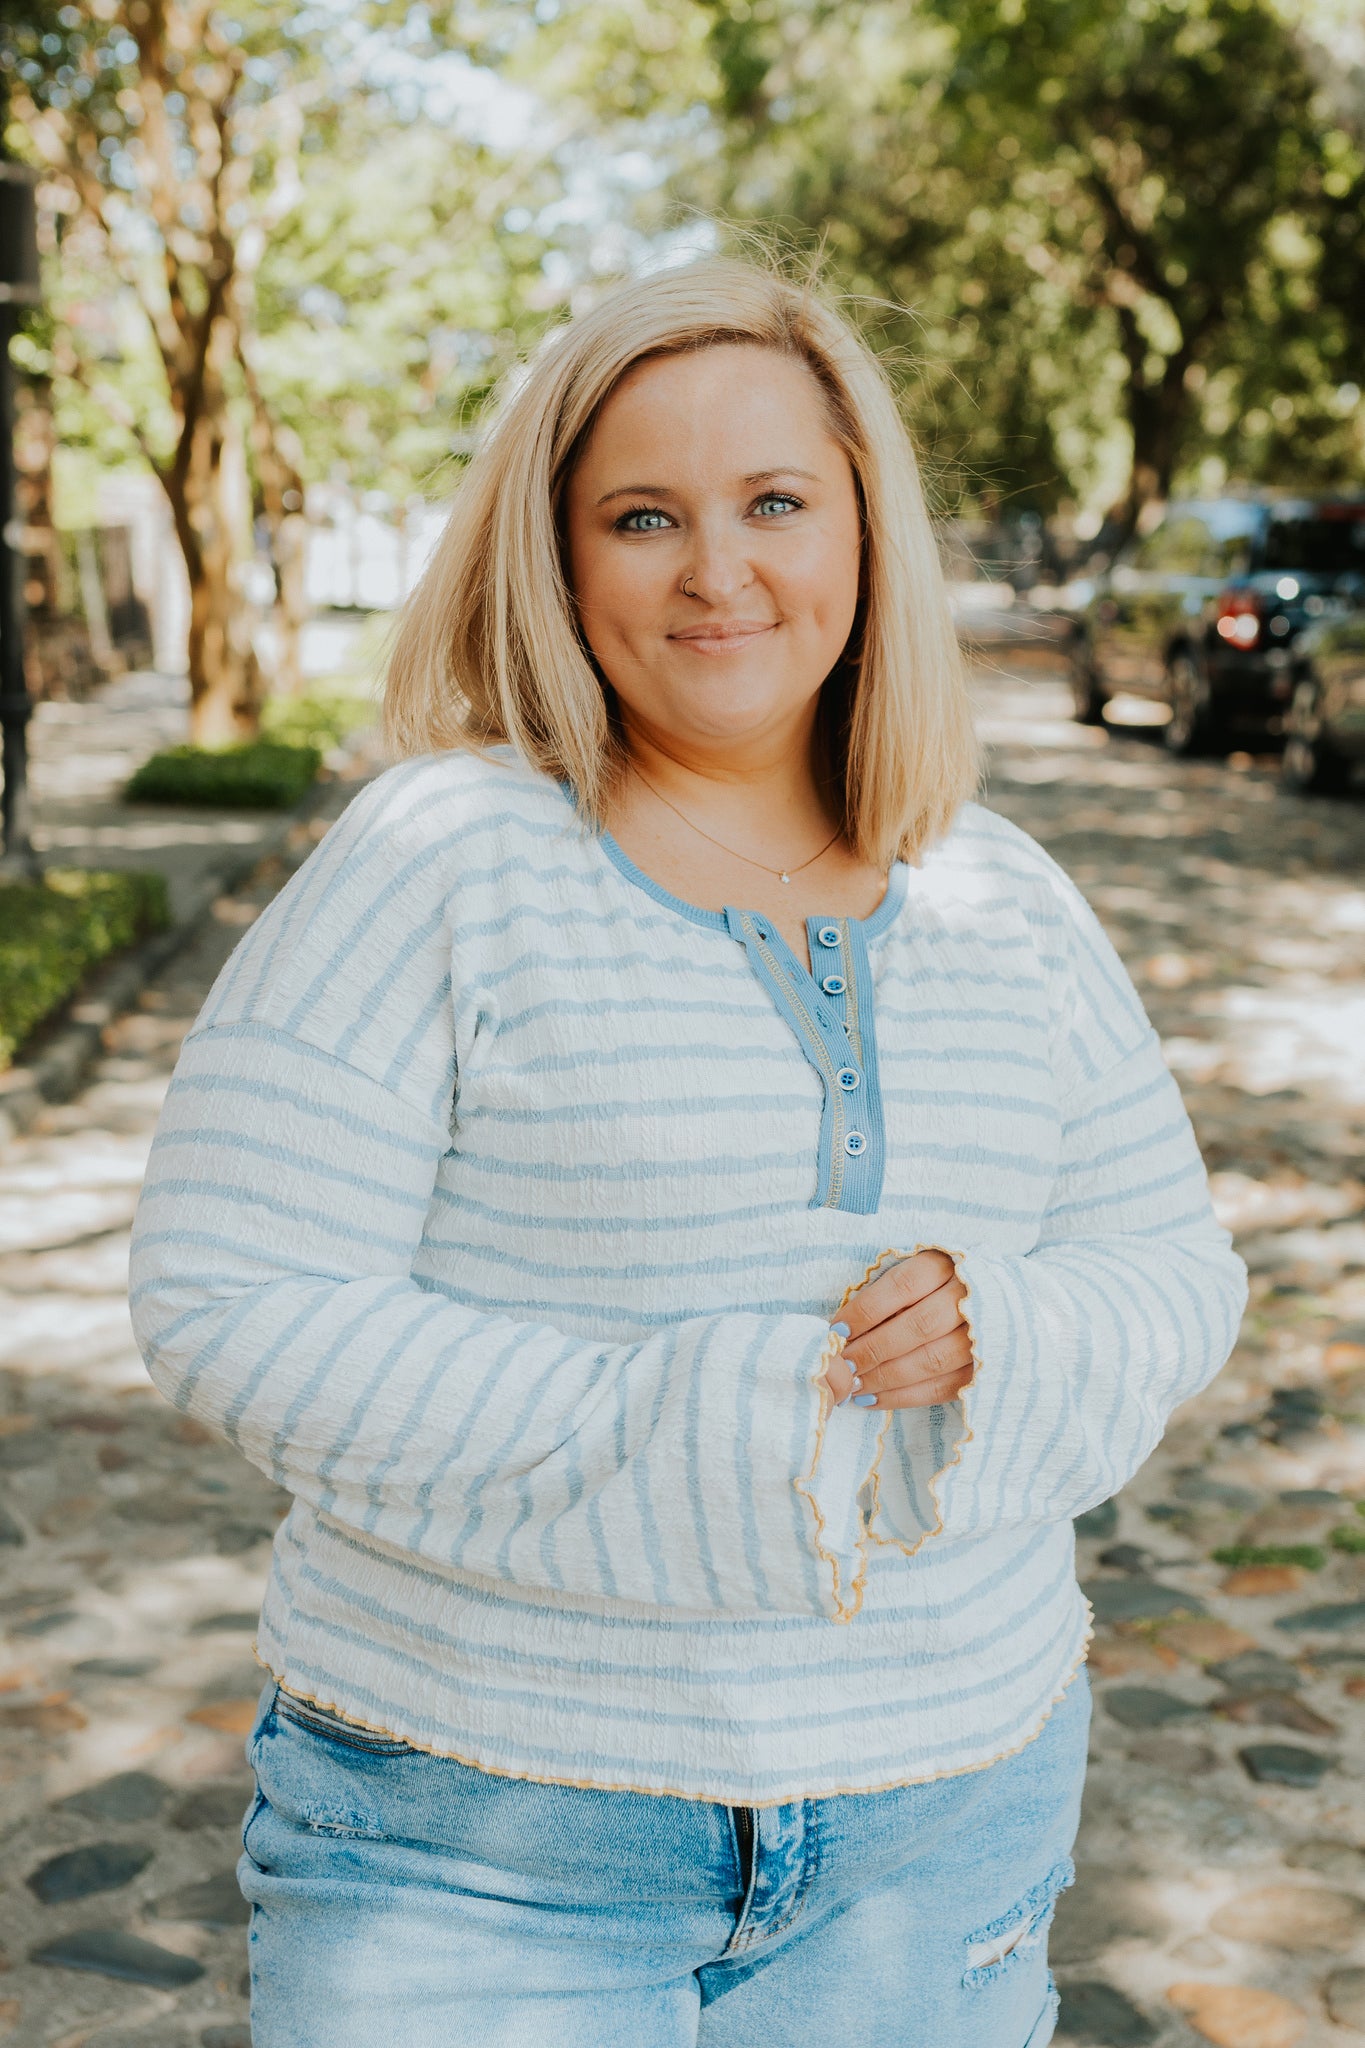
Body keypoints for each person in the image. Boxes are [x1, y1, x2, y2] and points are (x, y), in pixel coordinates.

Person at [129, 259, 1246, 2048]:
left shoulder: (1002, 897)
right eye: (641, 516)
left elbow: (1174, 1271)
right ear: (556, 560)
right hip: (481, 1837)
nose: (717, 570)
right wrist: (686, 1426)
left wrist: (1001, 1334)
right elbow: (230, 1295)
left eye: (776, 504)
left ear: (865, 535)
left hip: (939, 1824)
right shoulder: (441, 858)